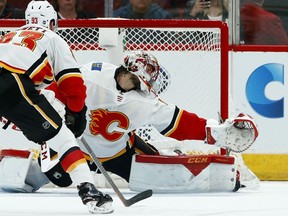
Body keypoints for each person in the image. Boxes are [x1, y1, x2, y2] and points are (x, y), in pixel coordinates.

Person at [0, 50, 258, 193]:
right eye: (135, 80)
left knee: (159, 173)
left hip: (118, 152)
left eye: (140, 84)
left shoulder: (142, 100)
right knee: (57, 178)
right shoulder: (91, 75)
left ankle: (222, 177)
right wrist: (19, 115)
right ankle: (18, 169)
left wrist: (212, 132)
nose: (137, 87)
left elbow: (176, 121)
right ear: (126, 71)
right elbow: (49, 91)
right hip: (73, 147)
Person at [0, 0, 113, 214]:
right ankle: (89, 192)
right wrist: (77, 113)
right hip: (12, 87)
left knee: (54, 130)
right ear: (52, 22)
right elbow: (73, 85)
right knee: (62, 138)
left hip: (12, 87)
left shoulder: (8, 36)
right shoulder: (53, 38)